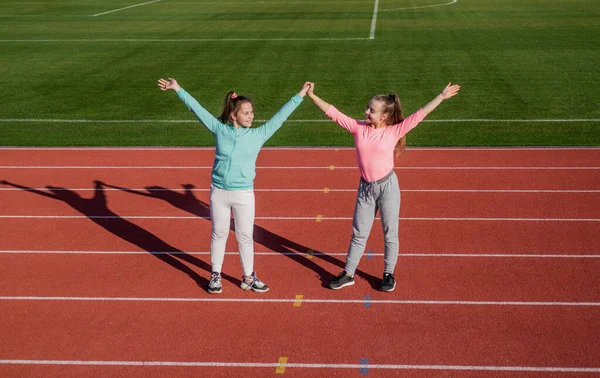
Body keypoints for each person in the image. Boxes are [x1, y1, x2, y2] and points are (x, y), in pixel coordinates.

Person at [158, 78, 310, 294]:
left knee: (245, 236)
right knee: (219, 234)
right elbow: (197, 109)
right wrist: (178, 89)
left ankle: (248, 277)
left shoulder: (259, 135)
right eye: (246, 112)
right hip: (219, 192)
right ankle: (215, 276)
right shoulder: (219, 130)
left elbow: (280, 117)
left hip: (244, 194)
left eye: (251, 112)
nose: (251, 116)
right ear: (233, 115)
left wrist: (301, 94)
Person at [306, 82, 460, 291]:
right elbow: (334, 113)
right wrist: (312, 96)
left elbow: (419, 114)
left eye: (371, 110)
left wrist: (441, 96)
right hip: (365, 190)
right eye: (367, 108)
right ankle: (348, 273)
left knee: (390, 233)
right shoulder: (358, 128)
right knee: (359, 233)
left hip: (387, 188)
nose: (366, 112)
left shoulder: (394, 131)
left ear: (384, 116)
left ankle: (388, 274)